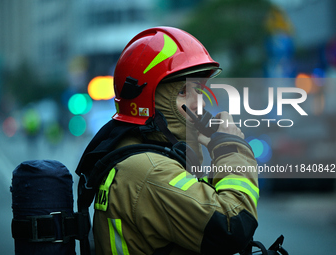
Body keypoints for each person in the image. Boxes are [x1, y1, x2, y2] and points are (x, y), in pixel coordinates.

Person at [76, 26, 258, 255]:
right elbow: (233, 227)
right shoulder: (151, 172)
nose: (198, 104)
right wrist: (231, 148)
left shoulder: (135, 153)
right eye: (183, 92)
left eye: (199, 90)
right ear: (150, 103)